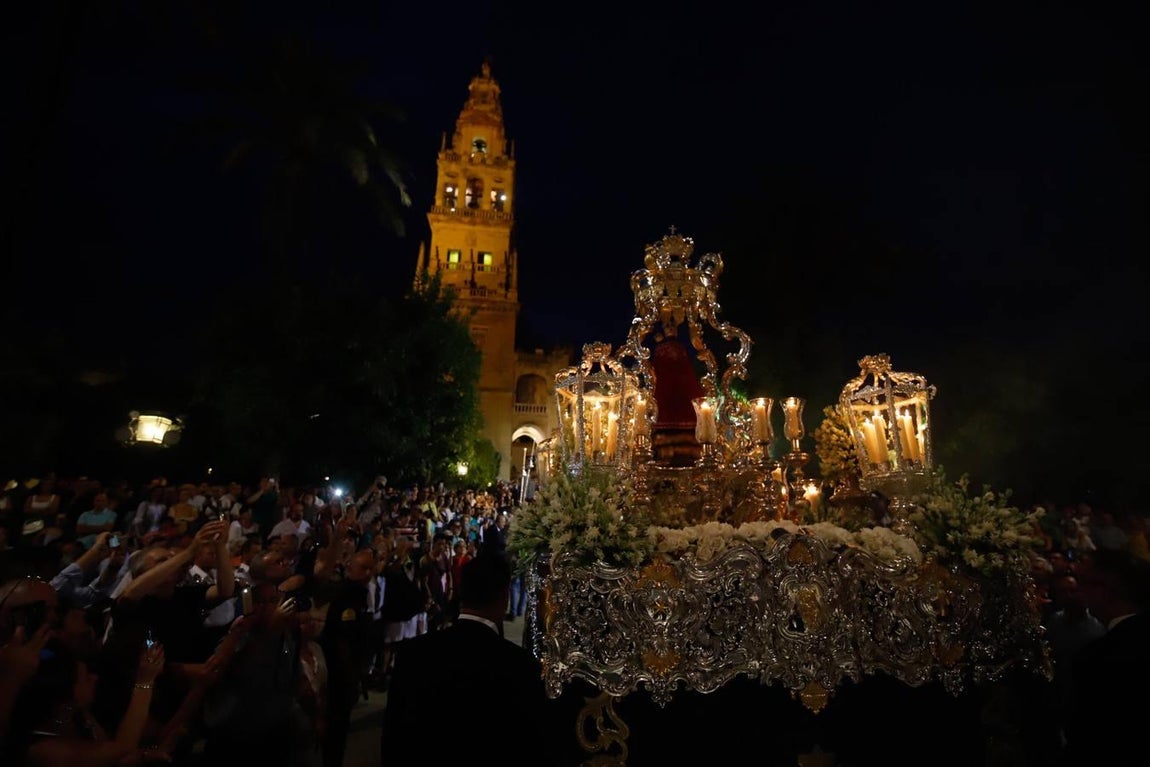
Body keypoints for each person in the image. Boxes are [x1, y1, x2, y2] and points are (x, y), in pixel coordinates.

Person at [380, 553, 574, 766]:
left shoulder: (412, 653)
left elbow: (393, 737)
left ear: (462, 593)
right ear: (504, 598)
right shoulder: (519, 665)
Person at [1062, 550, 1150, 765]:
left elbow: (1089, 742)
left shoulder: (1097, 659)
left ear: (1104, 591)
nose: (1080, 592)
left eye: (1085, 584)